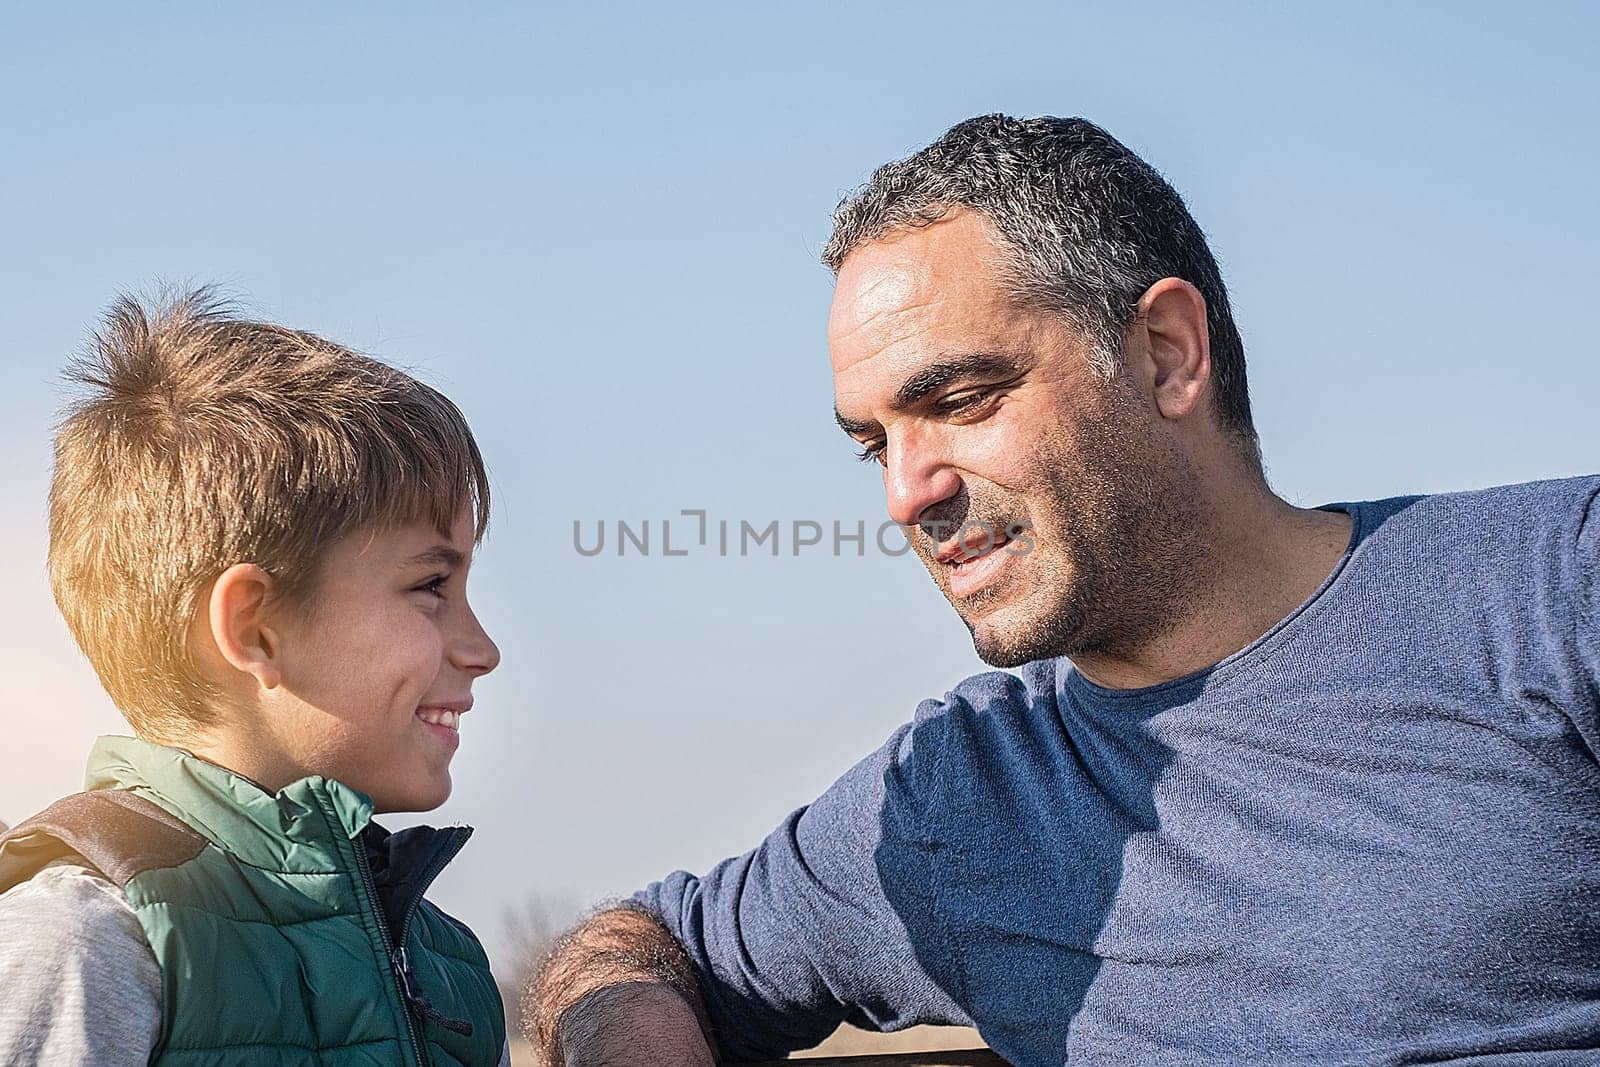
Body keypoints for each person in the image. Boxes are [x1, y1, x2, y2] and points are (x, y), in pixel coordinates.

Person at [526, 114, 1600, 1065]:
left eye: (959, 397)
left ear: (1168, 353)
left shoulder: (1553, 585)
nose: (907, 494)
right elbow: (635, 949)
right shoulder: (957, 796)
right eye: (874, 445)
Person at [0, 290, 510, 1066]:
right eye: (431, 587)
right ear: (253, 627)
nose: (482, 648)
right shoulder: (84, 943)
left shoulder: (453, 965)